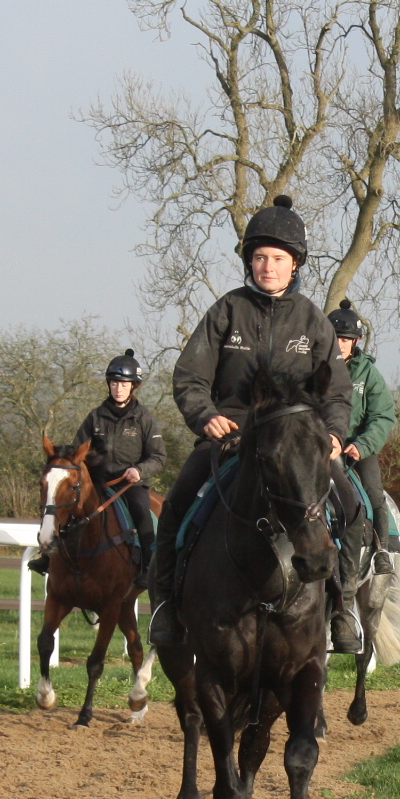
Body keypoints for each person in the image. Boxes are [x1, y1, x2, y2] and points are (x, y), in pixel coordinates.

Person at [145, 195, 362, 651]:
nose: (268, 266)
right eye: (259, 257)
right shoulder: (226, 311)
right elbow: (189, 377)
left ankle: (342, 609)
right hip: (232, 437)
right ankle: (165, 605)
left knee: (349, 504)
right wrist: (206, 418)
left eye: (278, 259)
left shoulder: (313, 321)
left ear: (295, 263)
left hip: (298, 443)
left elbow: (337, 392)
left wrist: (335, 435)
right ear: (249, 261)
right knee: (179, 504)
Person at [30, 350, 165, 575]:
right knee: (65, 505)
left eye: (124, 384)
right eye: (114, 383)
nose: (118, 388)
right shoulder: (95, 417)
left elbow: (159, 457)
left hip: (129, 485)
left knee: (142, 510)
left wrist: (139, 470)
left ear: (134, 386)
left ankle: (148, 566)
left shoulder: (144, 419)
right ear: (109, 385)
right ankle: (48, 556)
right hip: (96, 483)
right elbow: (76, 454)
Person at [328, 301, 400, 573]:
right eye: (336, 338)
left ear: (356, 341)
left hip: (355, 449)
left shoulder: (367, 374)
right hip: (319, 447)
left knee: (373, 491)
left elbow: (383, 415)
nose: (341, 344)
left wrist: (362, 445)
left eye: (347, 339)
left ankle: (382, 550)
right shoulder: (310, 370)